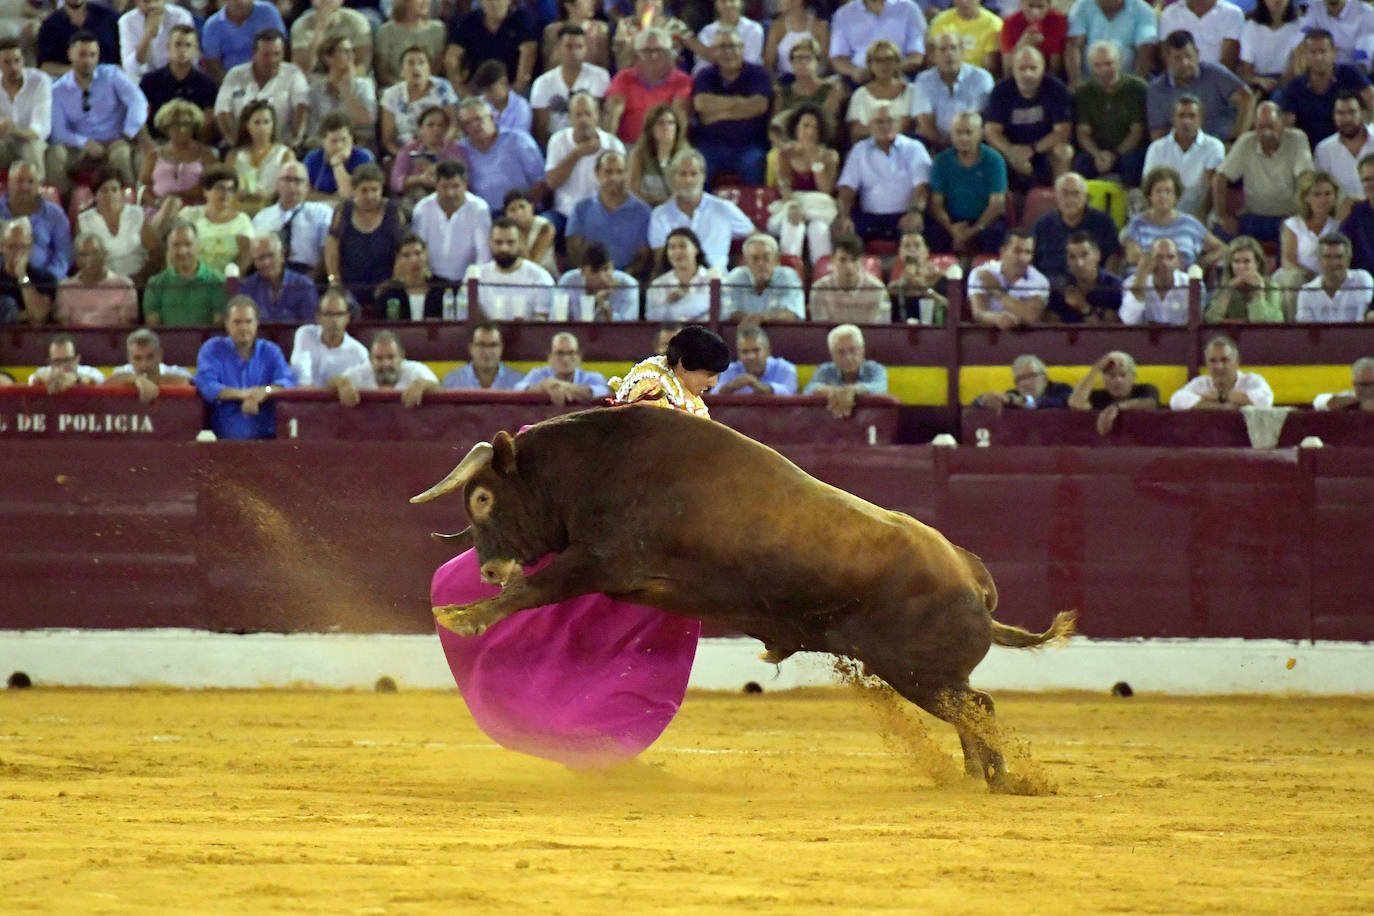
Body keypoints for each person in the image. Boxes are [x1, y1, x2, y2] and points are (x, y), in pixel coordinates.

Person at [432, 325, 728, 770]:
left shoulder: (676, 390)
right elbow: (629, 458)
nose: (713, 384)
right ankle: (587, 732)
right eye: (708, 373)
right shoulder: (651, 387)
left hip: (639, 520)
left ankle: (597, 736)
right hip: (619, 521)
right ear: (685, 364)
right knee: (601, 613)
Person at [47, 31, 149, 194]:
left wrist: (126, 135)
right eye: (82, 55)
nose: (87, 60)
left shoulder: (112, 75)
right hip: (79, 147)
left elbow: (138, 102)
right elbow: (59, 131)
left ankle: (130, 200)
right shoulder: (58, 90)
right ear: (70, 55)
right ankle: (67, 202)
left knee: (121, 155)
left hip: (115, 141)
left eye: (92, 55)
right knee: (54, 155)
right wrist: (84, 143)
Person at [194, 296, 296, 439]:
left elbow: (288, 383)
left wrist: (264, 391)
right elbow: (206, 384)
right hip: (222, 442)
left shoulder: (270, 351)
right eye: (237, 322)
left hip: (268, 440)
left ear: (256, 324)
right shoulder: (212, 349)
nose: (243, 327)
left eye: (248, 322)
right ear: (227, 324)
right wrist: (242, 394)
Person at [1212, 101, 1313, 244]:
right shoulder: (1246, 142)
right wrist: (1222, 215)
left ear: (1282, 124)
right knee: (1220, 230)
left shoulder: (1297, 139)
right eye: (1261, 127)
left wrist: (1301, 215)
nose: (1266, 132)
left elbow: (1306, 177)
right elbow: (1220, 178)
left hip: (1288, 216)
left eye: (1271, 126)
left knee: (1296, 236)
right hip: (1254, 216)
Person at [834, 104, 931, 244]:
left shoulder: (914, 148)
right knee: (845, 234)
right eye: (879, 122)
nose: (885, 126)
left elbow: (922, 187)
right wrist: (844, 216)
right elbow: (847, 189)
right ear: (870, 125)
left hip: (906, 215)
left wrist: (915, 212)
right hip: (869, 218)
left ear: (899, 124)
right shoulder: (859, 150)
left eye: (890, 121)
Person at [984, 47, 1074, 191]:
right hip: (1011, 149)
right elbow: (991, 130)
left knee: (1064, 151)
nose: (1027, 73)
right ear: (1013, 69)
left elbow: (1063, 131)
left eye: (1033, 68)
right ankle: (1002, 206)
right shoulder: (1001, 91)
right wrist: (1011, 151)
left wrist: (1032, 149)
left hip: (1043, 149)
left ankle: (1061, 198)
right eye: (1022, 68)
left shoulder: (1056, 89)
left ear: (1043, 67)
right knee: (988, 154)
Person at [648, 148, 754, 269]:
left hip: (716, 281)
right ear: (673, 179)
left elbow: (756, 237)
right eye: (682, 174)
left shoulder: (724, 208)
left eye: (694, 174)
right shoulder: (660, 215)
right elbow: (660, 259)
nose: (688, 180)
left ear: (703, 177)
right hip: (678, 281)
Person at [692, 27, 771, 185]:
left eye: (733, 46)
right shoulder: (705, 75)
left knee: (754, 164)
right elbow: (701, 105)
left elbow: (759, 106)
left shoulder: (758, 73)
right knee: (695, 166)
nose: (728, 52)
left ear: (742, 48)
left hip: (749, 146)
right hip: (710, 146)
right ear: (713, 51)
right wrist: (742, 103)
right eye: (722, 47)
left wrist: (718, 114)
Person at [1146, 30, 1253, 145]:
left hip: (1223, 143)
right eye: (1178, 58)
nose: (1185, 63)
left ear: (1197, 54)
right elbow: (1158, 136)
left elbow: (1246, 98)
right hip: (1185, 150)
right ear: (1166, 59)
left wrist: (1236, 140)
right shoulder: (1156, 90)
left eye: (1188, 56)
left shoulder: (1214, 72)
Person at [1275, 29, 1374, 152]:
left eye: (1323, 51)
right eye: (1313, 52)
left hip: (1351, 145)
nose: (1318, 57)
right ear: (1305, 54)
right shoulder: (1296, 86)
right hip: (1311, 152)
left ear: (1334, 52)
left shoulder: (1350, 74)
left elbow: (1371, 100)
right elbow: (1287, 126)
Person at [926, 111, 1008, 255]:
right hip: (952, 222)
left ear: (980, 134)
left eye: (969, 133)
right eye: (958, 132)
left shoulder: (994, 160)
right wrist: (952, 230)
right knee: (932, 233)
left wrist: (972, 231)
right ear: (951, 135)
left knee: (995, 235)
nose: (963, 138)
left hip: (984, 222)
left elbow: (997, 203)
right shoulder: (941, 161)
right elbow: (936, 203)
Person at [212, 29, 309, 149]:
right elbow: (222, 111)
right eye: (266, 55)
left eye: (277, 54)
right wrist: (235, 142)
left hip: (282, 145)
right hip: (241, 144)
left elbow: (301, 107)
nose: (272, 60)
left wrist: (296, 139)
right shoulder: (235, 74)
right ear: (254, 53)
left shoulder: (293, 74)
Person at [323, 163, 403, 309]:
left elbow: (402, 249)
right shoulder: (343, 211)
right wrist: (335, 280)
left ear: (382, 189)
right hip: (349, 284)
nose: (370, 196)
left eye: (374, 190)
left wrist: (392, 282)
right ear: (354, 190)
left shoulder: (393, 211)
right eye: (364, 190)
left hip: (385, 284)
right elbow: (332, 247)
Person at [769, 104, 838, 264]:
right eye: (805, 126)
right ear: (796, 128)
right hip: (793, 203)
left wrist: (816, 163)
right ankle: (791, 274)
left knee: (819, 229)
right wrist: (792, 206)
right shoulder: (784, 154)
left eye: (815, 127)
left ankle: (822, 275)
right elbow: (784, 186)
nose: (810, 132)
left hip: (819, 208)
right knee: (793, 225)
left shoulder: (829, 156)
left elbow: (825, 190)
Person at [1072, 40, 1147, 186]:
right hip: (1096, 151)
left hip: (1127, 151)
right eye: (1098, 65)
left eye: (1109, 63)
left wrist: (1114, 155)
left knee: (1131, 161)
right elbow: (1083, 132)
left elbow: (1136, 131)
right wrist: (1098, 154)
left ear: (1119, 61)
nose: (1104, 70)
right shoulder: (1083, 91)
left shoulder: (1137, 88)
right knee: (1082, 162)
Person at [566, 150, 651, 276]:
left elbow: (643, 256)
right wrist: (594, 276)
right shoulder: (581, 209)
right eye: (608, 172)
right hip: (589, 278)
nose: (614, 178)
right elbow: (574, 250)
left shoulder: (642, 211)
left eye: (619, 172)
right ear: (597, 173)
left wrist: (620, 279)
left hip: (626, 281)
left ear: (627, 174)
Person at [456, 96, 546, 214]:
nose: (474, 126)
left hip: (522, 211)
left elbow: (540, 181)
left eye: (478, 119)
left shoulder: (518, 140)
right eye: (467, 123)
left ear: (492, 118)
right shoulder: (460, 150)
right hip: (483, 214)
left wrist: (522, 210)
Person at [1142, 95, 1226, 222]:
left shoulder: (1214, 146)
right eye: (1181, 116)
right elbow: (1148, 184)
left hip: (1201, 215)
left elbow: (1213, 186)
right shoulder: (1157, 148)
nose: (1186, 121)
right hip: (1164, 212)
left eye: (1191, 116)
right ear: (1173, 119)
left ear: (1200, 119)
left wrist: (1200, 215)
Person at [1122, 166, 1224, 269]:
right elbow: (1132, 257)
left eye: (1168, 191)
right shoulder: (1137, 224)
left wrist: (1204, 262)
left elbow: (1223, 249)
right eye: (1158, 191)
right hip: (1145, 280)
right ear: (1149, 196)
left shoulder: (1190, 224)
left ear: (1176, 196)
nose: (1163, 196)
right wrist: (1166, 267)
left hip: (1183, 282)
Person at [545, 92, 623, 228]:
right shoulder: (558, 140)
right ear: (570, 117)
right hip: (563, 213)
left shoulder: (612, 144)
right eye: (578, 115)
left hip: (601, 213)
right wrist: (577, 153)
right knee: (542, 226)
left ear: (597, 115)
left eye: (588, 114)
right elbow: (552, 182)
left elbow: (620, 187)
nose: (583, 120)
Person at [604, 28, 693, 146]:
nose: (654, 56)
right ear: (635, 55)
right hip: (627, 146)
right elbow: (613, 113)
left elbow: (679, 118)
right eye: (647, 51)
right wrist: (608, 147)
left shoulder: (682, 80)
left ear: (669, 54)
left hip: (667, 146)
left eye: (659, 50)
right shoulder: (624, 77)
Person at [410, 159, 490, 285]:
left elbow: (484, 254)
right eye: (444, 187)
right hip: (431, 280)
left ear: (465, 184)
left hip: (468, 280)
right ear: (435, 185)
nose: (450, 193)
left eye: (455, 186)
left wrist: (475, 283)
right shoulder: (423, 208)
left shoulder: (479, 209)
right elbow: (419, 249)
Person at [1032, 171, 1122, 280]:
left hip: (1092, 288)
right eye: (1065, 193)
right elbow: (1032, 260)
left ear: (1085, 197)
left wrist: (1105, 287)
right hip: (1051, 288)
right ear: (1056, 196)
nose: (1070, 200)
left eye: (1076, 193)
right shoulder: (1042, 225)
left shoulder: (1103, 222)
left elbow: (1113, 257)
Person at [913, 32, 994, 152]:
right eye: (942, 49)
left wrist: (957, 145)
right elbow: (925, 122)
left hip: (973, 143)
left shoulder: (981, 78)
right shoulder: (924, 80)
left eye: (953, 48)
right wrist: (945, 149)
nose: (949, 54)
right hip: (935, 145)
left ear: (962, 53)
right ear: (932, 56)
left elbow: (976, 119)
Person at [531, 24, 611, 145]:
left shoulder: (599, 76)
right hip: (556, 143)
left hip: (591, 141)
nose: (574, 52)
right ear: (558, 49)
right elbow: (541, 128)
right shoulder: (543, 83)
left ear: (586, 49)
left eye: (579, 47)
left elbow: (603, 116)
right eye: (569, 47)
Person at [252, 162, 333, 277]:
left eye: (298, 181)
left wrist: (311, 280)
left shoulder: (321, 213)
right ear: (278, 184)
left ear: (307, 187)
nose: (292, 185)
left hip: (310, 275)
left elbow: (329, 252)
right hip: (269, 276)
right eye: (287, 179)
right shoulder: (262, 217)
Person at [138, 25, 218, 138]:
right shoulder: (150, 81)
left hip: (193, 143)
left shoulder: (207, 84)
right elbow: (141, 116)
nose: (182, 50)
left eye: (188, 45)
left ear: (196, 49)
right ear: (168, 46)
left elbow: (208, 121)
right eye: (178, 44)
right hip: (157, 141)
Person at [379, 45, 459, 158]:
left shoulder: (442, 87)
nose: (416, 67)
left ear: (429, 69)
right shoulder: (391, 95)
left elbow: (453, 126)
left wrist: (439, 151)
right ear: (401, 71)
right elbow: (388, 140)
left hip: (441, 149)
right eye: (411, 63)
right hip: (406, 153)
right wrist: (404, 157)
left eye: (421, 63)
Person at [444, 0, 538, 95]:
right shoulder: (470, 21)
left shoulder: (522, 19)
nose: (494, 4)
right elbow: (451, 57)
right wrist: (458, 86)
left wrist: (517, 89)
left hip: (511, 85)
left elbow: (528, 53)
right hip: (478, 87)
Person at [143, 221, 227, 326]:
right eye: (176, 245)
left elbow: (218, 327)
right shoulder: (155, 284)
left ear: (198, 245)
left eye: (188, 244)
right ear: (168, 247)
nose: (182, 251)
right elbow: (154, 327)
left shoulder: (217, 281)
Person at [79, 168, 157, 281]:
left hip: (139, 279)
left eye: (114, 190)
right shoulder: (84, 221)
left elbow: (155, 250)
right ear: (95, 195)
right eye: (104, 190)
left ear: (121, 193)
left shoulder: (136, 214)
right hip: (104, 283)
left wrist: (141, 277)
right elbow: (83, 261)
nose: (110, 194)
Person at [139, 99, 219, 209]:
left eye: (186, 124)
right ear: (166, 127)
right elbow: (144, 186)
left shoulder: (206, 154)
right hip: (158, 209)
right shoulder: (154, 155)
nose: (181, 129)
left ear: (194, 126)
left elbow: (214, 185)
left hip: (196, 209)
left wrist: (181, 197)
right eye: (175, 125)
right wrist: (157, 204)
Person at [330, 330, 439, 408]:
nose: (385, 364)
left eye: (391, 357)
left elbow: (439, 389)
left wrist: (422, 385)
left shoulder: (415, 370)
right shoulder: (360, 372)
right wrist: (341, 383)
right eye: (379, 358)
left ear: (401, 357)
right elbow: (329, 385)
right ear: (370, 359)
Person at [305, 35, 377, 152]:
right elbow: (314, 128)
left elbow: (366, 120)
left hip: (358, 143)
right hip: (325, 145)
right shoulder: (316, 90)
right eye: (345, 51)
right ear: (328, 58)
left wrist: (346, 90)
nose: (351, 56)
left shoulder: (364, 85)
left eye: (352, 51)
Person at [474, 216, 555, 320]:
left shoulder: (540, 278)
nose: (504, 248)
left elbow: (541, 321)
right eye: (498, 242)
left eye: (510, 242)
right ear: (489, 243)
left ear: (520, 243)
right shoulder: (476, 276)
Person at [0, 161, 71, 279]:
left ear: (39, 185)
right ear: (9, 183)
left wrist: (46, 280)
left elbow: (63, 257)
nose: (24, 187)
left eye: (30, 182)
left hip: (42, 283)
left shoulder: (55, 214)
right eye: (19, 181)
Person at [180, 165, 255, 275]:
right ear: (206, 191)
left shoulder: (242, 221)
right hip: (192, 279)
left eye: (230, 190)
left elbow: (246, 256)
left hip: (226, 281)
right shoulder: (190, 215)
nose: (226, 194)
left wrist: (231, 281)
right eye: (220, 188)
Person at [1065, 0, 1158, 88]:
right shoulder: (1081, 6)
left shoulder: (1143, 10)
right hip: (1088, 84)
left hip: (1127, 83)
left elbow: (1146, 49)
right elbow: (1074, 46)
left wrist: (1136, 86)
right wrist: (1076, 83)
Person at [803, 323, 887, 419]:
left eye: (853, 350)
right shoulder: (825, 370)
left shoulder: (875, 369)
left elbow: (880, 388)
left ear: (863, 350)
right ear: (832, 355)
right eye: (840, 352)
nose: (848, 357)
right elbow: (809, 390)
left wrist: (853, 391)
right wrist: (834, 392)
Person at [968, 230, 1050, 328]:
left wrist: (998, 291)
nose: (1022, 257)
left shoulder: (1040, 281)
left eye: (1027, 252)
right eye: (1017, 251)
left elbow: (1032, 316)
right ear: (1003, 252)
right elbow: (979, 313)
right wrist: (997, 319)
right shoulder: (981, 273)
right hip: (988, 336)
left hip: (1026, 338)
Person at [770, 36, 845, 143]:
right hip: (787, 145)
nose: (803, 62)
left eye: (808, 58)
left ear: (817, 62)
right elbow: (775, 127)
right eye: (799, 58)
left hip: (818, 144)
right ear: (792, 62)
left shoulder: (831, 90)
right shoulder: (782, 93)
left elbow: (824, 125)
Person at [389, 105, 465, 210]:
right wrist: (419, 179)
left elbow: (465, 179)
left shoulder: (454, 149)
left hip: (449, 199)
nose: (436, 129)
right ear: (420, 129)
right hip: (415, 201)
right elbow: (396, 182)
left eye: (441, 125)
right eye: (430, 125)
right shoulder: (409, 149)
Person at [1067, 350, 1160, 435]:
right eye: (1111, 376)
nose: (1118, 381)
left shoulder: (1146, 389)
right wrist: (1096, 368)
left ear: (1133, 376)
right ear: (1103, 379)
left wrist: (1118, 407)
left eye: (1123, 375)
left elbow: (1151, 403)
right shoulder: (1098, 396)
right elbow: (1075, 403)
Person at [1169, 334, 1274, 409]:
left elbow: (1265, 401)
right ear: (1207, 363)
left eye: (1225, 360)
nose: (1218, 366)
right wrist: (1221, 407)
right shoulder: (1202, 383)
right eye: (1212, 361)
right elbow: (1176, 401)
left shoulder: (1251, 380)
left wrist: (1221, 396)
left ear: (1237, 362)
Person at [225, 101, 295, 213]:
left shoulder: (285, 154)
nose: (262, 127)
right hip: (239, 209)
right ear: (247, 125)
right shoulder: (235, 155)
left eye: (267, 122)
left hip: (272, 209)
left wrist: (268, 195)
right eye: (257, 123)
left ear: (273, 124)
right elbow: (226, 184)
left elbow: (290, 187)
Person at [289, 288, 368, 386]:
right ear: (318, 317)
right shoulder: (305, 334)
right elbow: (298, 370)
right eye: (328, 314)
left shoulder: (359, 353)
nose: (334, 320)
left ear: (347, 318)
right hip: (302, 397)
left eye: (339, 314)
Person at [54, 233, 137, 326]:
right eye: (83, 255)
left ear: (105, 255)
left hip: (112, 339)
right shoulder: (66, 288)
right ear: (76, 259)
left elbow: (125, 329)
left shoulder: (124, 285)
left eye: (95, 253)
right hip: (78, 339)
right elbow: (65, 328)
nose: (90, 259)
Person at [0, 37, 52, 179]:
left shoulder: (40, 81)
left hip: (32, 142)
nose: (14, 68)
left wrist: (12, 129)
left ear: (23, 60)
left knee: (32, 148)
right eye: (7, 62)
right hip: (5, 143)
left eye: (17, 61)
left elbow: (40, 130)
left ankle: (37, 195)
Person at [844, 38, 912, 144]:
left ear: (897, 62)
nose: (884, 65)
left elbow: (905, 125)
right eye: (878, 60)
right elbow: (856, 130)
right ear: (870, 65)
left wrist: (875, 129)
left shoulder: (910, 91)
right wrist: (885, 132)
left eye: (889, 59)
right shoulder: (860, 95)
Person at [722, 233, 803, 322]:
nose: (761, 263)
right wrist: (754, 320)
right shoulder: (736, 277)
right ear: (746, 262)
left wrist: (762, 318)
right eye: (755, 258)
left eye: (766, 257)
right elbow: (727, 312)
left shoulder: (787, 276)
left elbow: (792, 314)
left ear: (777, 260)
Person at [200, 0, 288, 82]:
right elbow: (213, 65)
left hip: (271, 78)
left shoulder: (268, 12)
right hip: (231, 84)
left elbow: (281, 49)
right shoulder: (212, 25)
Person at [810, 234, 890, 324]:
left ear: (862, 261)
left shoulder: (877, 289)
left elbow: (881, 331)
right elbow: (820, 331)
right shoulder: (819, 289)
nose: (849, 266)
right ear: (832, 261)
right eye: (843, 260)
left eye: (854, 260)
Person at [1295, 232, 1374, 323]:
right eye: (1327, 257)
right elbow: (1307, 331)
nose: (1333, 263)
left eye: (1339, 257)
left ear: (1348, 258)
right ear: (1319, 260)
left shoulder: (1362, 280)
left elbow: (1365, 321)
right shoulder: (1307, 292)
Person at [1047, 230, 1122, 324]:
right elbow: (1053, 330)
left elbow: (1108, 333)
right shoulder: (1059, 286)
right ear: (1067, 260)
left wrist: (1084, 307)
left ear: (1098, 255)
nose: (1079, 263)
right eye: (1072, 257)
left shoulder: (1114, 286)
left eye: (1085, 255)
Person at [515, 330, 610, 404]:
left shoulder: (594, 377)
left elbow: (604, 392)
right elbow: (518, 388)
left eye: (571, 353)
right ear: (550, 357)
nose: (566, 359)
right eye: (560, 353)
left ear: (579, 357)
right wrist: (543, 385)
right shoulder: (538, 374)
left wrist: (555, 384)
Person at [240, 233, 318, 322]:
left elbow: (310, 326)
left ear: (282, 255)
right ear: (254, 262)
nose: (266, 262)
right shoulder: (247, 287)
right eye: (260, 258)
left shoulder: (304, 285)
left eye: (270, 255)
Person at [1205, 235, 1284, 323]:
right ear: (1230, 264)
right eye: (1236, 261)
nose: (1241, 267)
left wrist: (1258, 292)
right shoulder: (1224, 286)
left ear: (1257, 263)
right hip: (1230, 334)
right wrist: (1228, 290)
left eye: (1247, 261)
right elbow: (1211, 320)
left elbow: (1260, 321)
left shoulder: (1271, 287)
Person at [1313, 92, 1374, 203]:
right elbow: (1321, 190)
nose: (1346, 118)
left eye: (1352, 112)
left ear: (1362, 114)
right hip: (1341, 215)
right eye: (1340, 113)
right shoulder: (1324, 150)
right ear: (1334, 116)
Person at [104, 328, 194, 403]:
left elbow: (189, 384)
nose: (144, 365)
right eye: (137, 358)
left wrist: (151, 380)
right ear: (129, 358)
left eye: (150, 357)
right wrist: (136, 379)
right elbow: (105, 387)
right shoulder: (121, 372)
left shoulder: (177, 371)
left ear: (160, 355)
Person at [372, 232, 447, 320]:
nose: (414, 260)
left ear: (425, 254)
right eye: (406, 255)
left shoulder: (443, 288)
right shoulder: (389, 293)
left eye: (417, 253)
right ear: (399, 259)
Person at [555, 242, 639, 321]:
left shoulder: (628, 285)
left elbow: (627, 328)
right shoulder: (568, 281)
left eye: (606, 269)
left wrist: (603, 304)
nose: (602, 277)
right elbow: (556, 320)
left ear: (612, 267)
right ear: (582, 271)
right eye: (595, 271)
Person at [625, 103, 687, 209]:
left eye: (671, 123)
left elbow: (685, 189)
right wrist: (648, 202)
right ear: (651, 128)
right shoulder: (639, 154)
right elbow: (631, 187)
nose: (666, 127)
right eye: (660, 123)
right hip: (644, 207)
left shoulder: (685, 155)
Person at [36, 0, 119, 78]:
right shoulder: (50, 25)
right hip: (70, 84)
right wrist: (78, 71)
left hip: (110, 80)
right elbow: (45, 66)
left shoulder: (108, 17)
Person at [303, 112, 374, 202]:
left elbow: (349, 195)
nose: (339, 146)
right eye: (334, 141)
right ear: (323, 141)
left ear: (351, 139)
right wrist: (334, 200)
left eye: (344, 140)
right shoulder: (312, 158)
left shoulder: (364, 157)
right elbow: (305, 195)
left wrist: (337, 164)